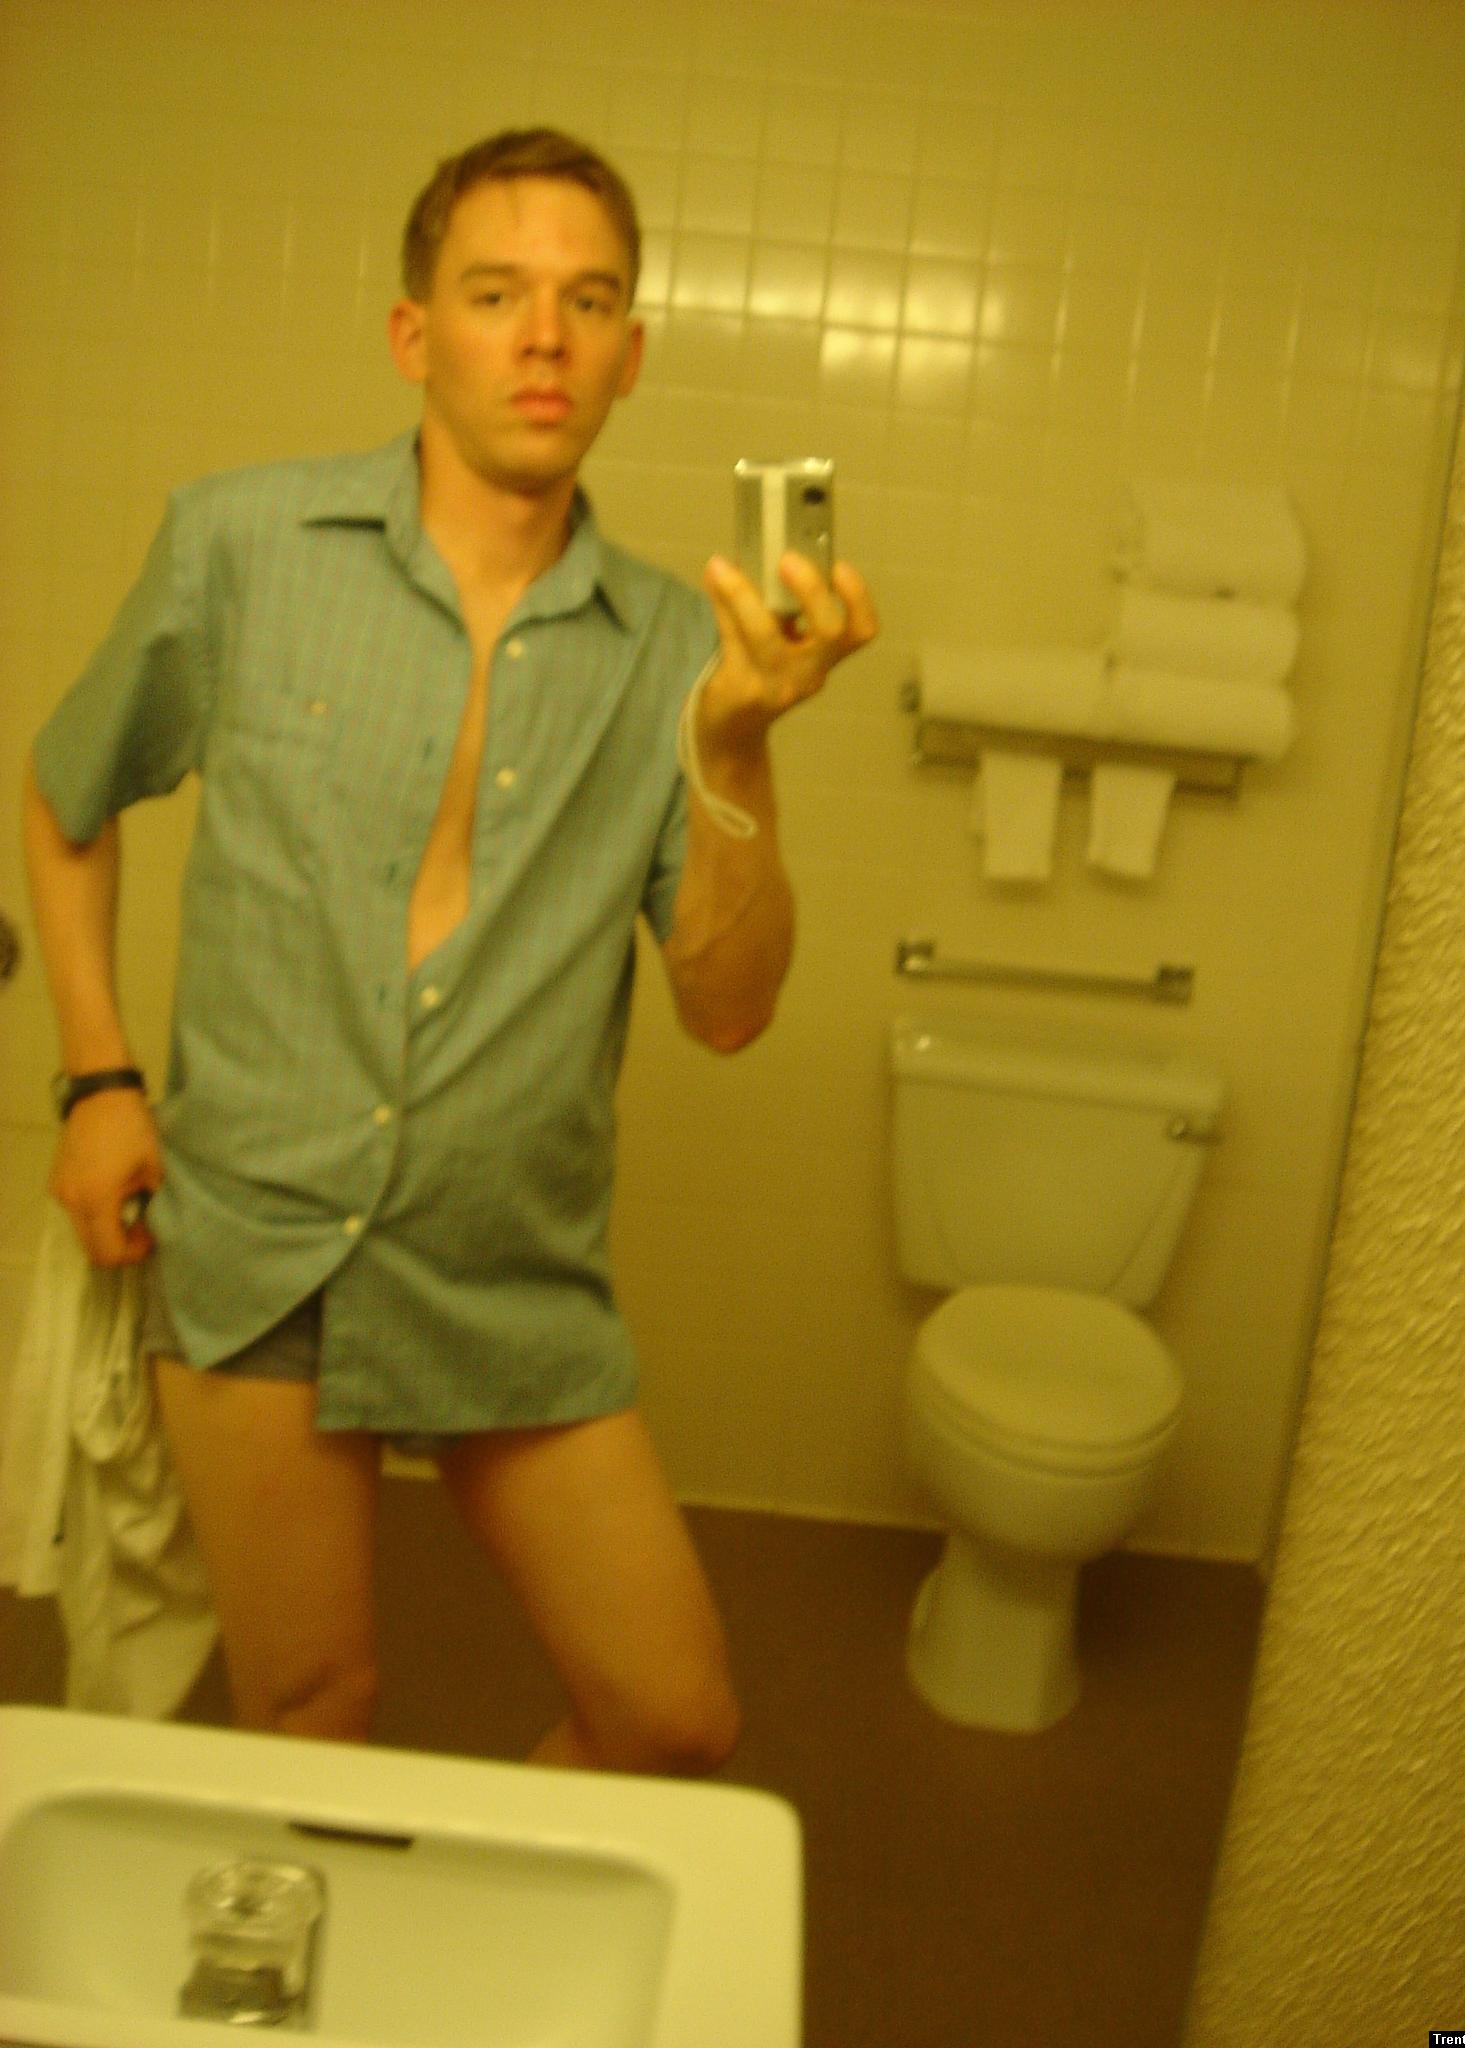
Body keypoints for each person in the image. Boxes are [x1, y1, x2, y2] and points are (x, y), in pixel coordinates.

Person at [22, 128, 877, 1771]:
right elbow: (65, 797)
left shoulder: (670, 653)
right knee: (310, 1710)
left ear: (631, 354)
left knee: (672, 1719)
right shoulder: (239, 545)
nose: (545, 337)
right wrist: (99, 1080)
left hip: (506, 1261)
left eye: (588, 302)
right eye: (498, 294)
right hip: (257, 1229)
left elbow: (729, 1009)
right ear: (416, 333)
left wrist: (740, 745)